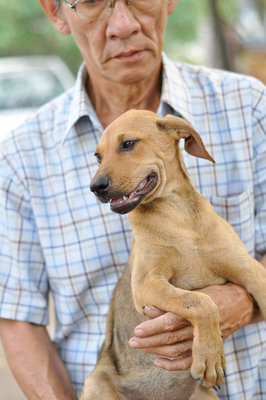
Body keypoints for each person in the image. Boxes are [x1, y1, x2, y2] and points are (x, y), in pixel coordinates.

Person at [0, 0, 265, 399]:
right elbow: (17, 319)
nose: (123, 25)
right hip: (116, 385)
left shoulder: (250, 108)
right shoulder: (19, 158)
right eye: (91, 1)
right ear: (55, 12)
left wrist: (240, 302)